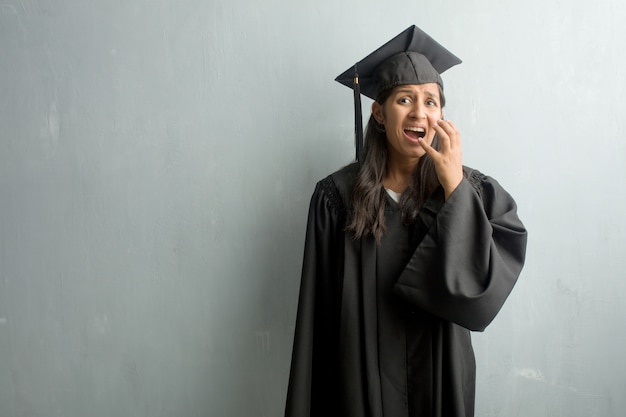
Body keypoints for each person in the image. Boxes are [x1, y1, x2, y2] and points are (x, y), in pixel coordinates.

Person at [284, 25, 528, 417]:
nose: (420, 112)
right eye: (404, 99)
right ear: (379, 113)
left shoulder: (476, 192)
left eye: (431, 102)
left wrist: (454, 188)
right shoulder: (336, 198)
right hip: (358, 384)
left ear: (442, 114)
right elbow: (318, 318)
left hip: (441, 377)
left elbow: (482, 296)